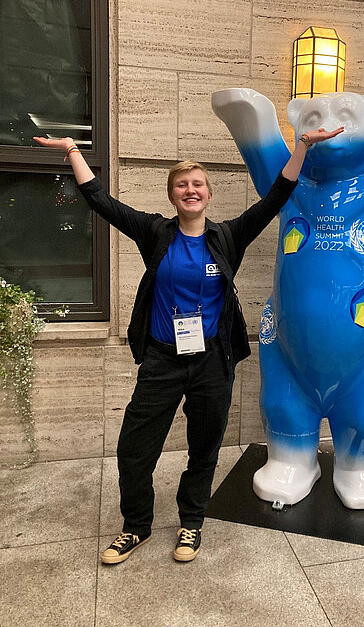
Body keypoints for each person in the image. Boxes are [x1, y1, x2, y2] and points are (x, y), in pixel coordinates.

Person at [33, 125, 343, 564]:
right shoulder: (155, 233)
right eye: (182, 184)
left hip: (212, 362)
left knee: (204, 447)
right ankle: (135, 526)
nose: (190, 190)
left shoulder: (228, 237)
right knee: (134, 448)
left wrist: (303, 146)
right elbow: (100, 200)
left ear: (208, 195)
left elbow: (276, 197)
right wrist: (70, 151)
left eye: (198, 184)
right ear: (173, 195)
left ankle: (191, 522)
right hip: (162, 358)